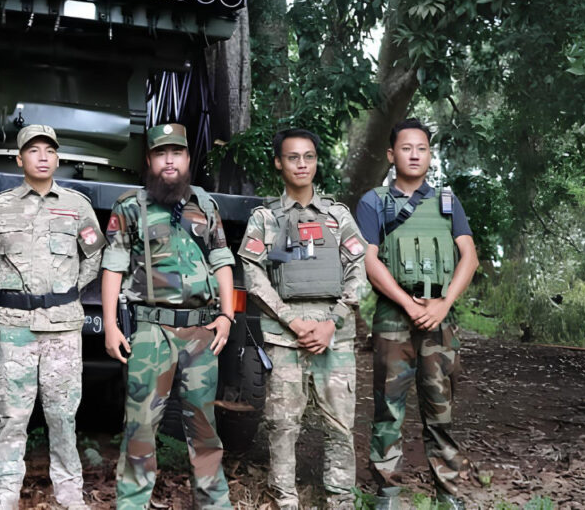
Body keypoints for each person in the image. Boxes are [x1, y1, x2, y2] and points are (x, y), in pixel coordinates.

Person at [101, 123, 235, 510]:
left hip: (201, 331)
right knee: (141, 425)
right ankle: (131, 503)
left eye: (177, 153)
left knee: (204, 426)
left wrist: (226, 315)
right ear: (150, 161)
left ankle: (213, 503)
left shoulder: (205, 205)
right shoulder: (132, 207)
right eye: (161, 154)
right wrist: (110, 324)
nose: (170, 160)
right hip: (151, 331)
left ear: (188, 159)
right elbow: (113, 265)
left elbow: (222, 259)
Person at [0, 125, 105, 510]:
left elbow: (94, 254)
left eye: (50, 150)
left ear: (58, 158)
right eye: (34, 150)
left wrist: (68, 291)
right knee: (12, 417)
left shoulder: (77, 205)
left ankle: (69, 494)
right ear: (20, 159)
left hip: (63, 327)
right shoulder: (0, 207)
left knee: (63, 416)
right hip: (15, 327)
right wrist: (9, 289)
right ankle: (6, 493)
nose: (43, 156)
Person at [237, 129, 366, 509]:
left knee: (340, 428)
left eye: (309, 156)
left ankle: (340, 502)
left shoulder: (337, 215)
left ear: (316, 161)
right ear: (279, 162)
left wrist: (333, 322)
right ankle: (285, 501)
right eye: (293, 157)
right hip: (284, 338)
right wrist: (292, 321)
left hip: (335, 338)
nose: (302, 164)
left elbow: (359, 271)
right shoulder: (265, 219)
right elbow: (253, 275)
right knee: (282, 426)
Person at [355, 119, 478, 510]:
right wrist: (408, 304)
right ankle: (387, 492)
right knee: (388, 409)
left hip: (440, 319)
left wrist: (443, 304)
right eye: (405, 148)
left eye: (421, 148)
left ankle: (448, 495)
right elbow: (369, 261)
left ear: (429, 154)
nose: (413, 154)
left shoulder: (447, 201)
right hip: (394, 319)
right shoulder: (373, 202)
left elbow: (469, 257)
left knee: (440, 410)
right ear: (392, 155)